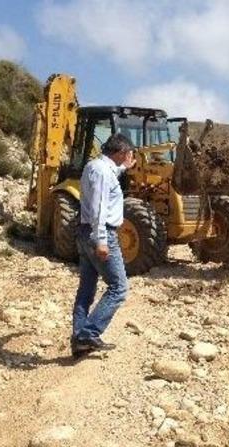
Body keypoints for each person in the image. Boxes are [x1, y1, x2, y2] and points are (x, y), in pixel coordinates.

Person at [70, 133, 137, 356]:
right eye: (129, 152)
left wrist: (124, 168)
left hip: (85, 232)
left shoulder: (96, 167)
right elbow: (99, 207)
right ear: (121, 152)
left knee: (86, 289)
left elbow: (108, 178)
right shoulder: (102, 172)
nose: (130, 155)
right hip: (100, 232)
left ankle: (79, 339)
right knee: (119, 288)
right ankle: (88, 334)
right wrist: (101, 240)